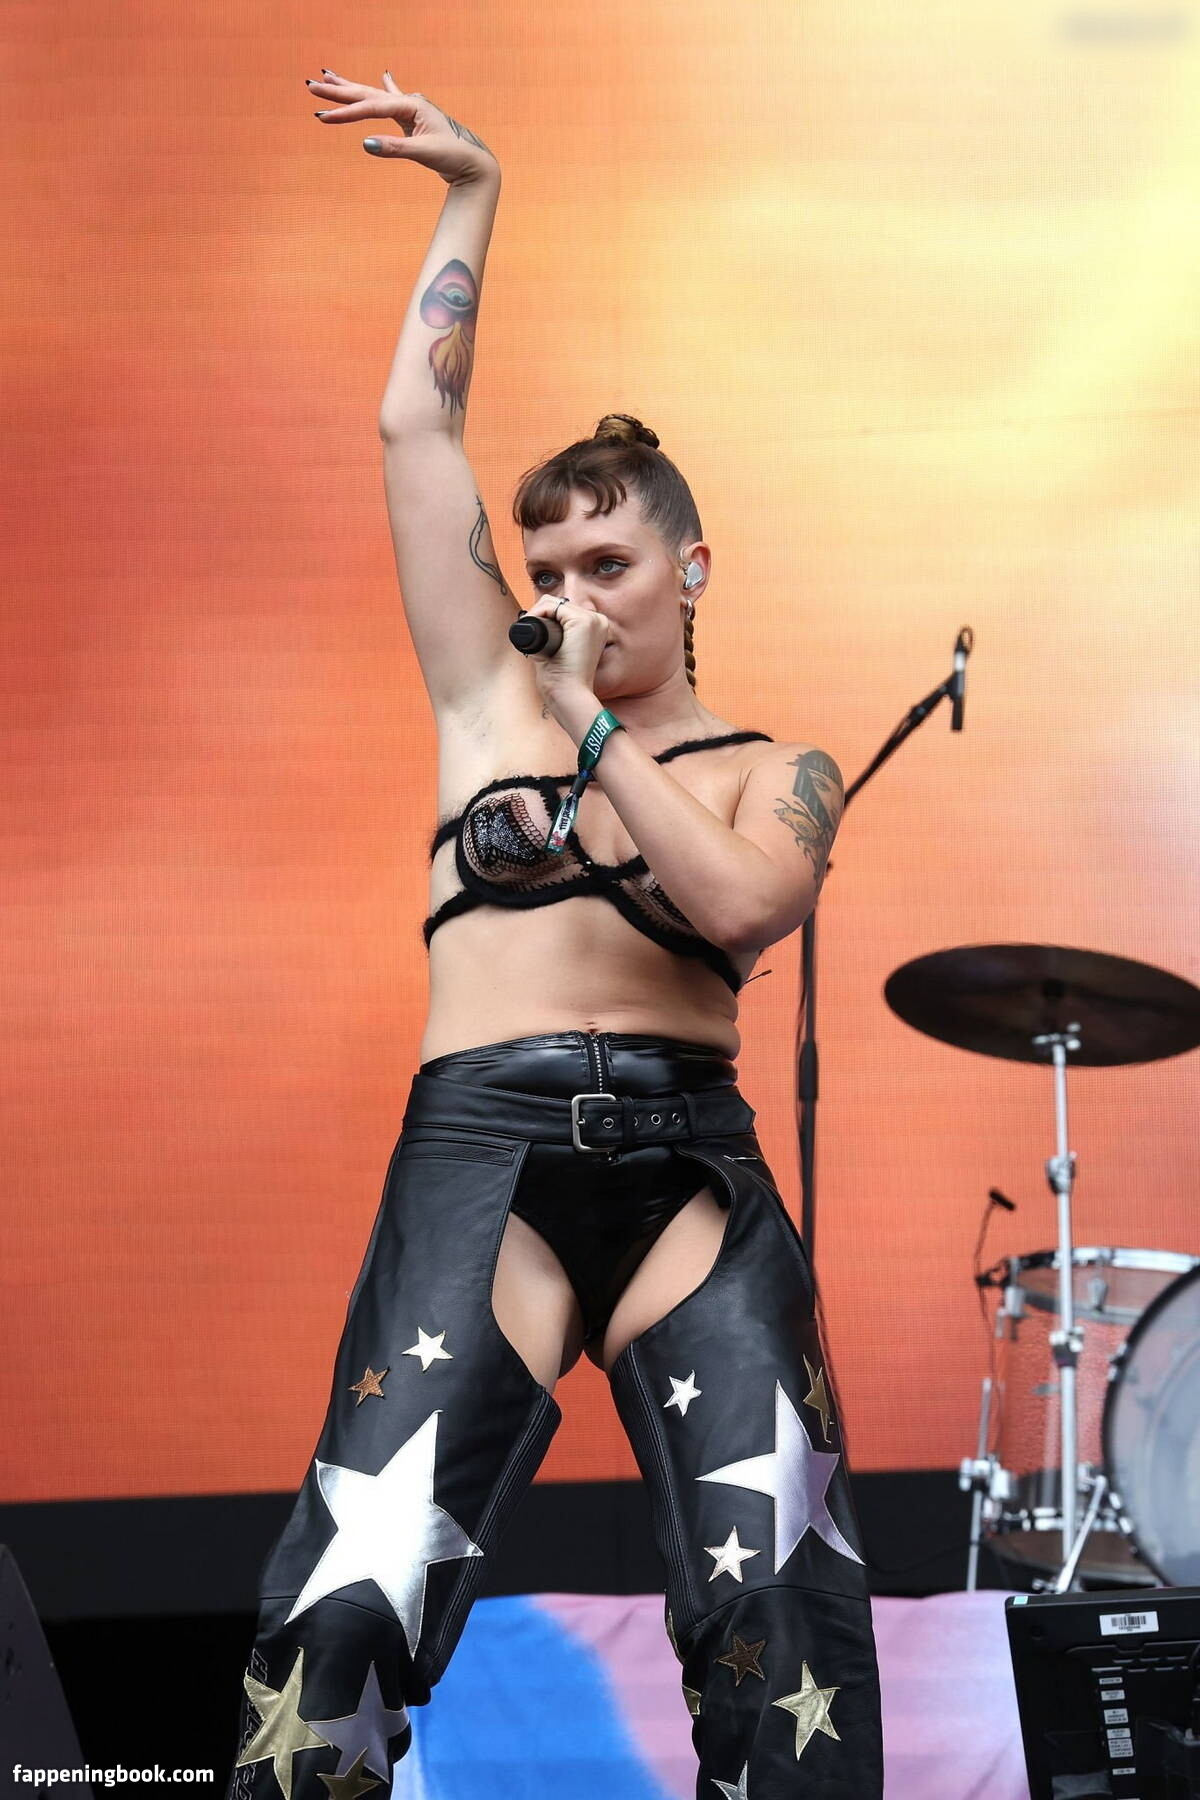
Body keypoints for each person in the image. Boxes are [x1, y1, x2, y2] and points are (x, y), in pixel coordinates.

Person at [226, 67, 883, 1800]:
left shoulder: (773, 770)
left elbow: (739, 906)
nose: (569, 596)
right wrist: (474, 192)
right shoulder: (483, 707)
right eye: (549, 569)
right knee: (352, 1596)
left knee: (781, 1603)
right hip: (489, 1145)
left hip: (688, 1164)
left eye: (608, 564)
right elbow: (412, 435)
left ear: (692, 569)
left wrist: (591, 725)